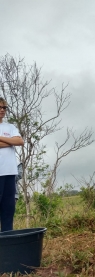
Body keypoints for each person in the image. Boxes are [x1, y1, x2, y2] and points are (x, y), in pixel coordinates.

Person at [0, 97, 24, 232]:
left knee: (8, 209)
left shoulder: (10, 127)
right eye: (0, 107)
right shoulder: (10, 132)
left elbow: (20, 141)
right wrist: (10, 141)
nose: (2, 110)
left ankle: (7, 243)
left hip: (10, 173)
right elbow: (14, 141)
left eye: (4, 108)